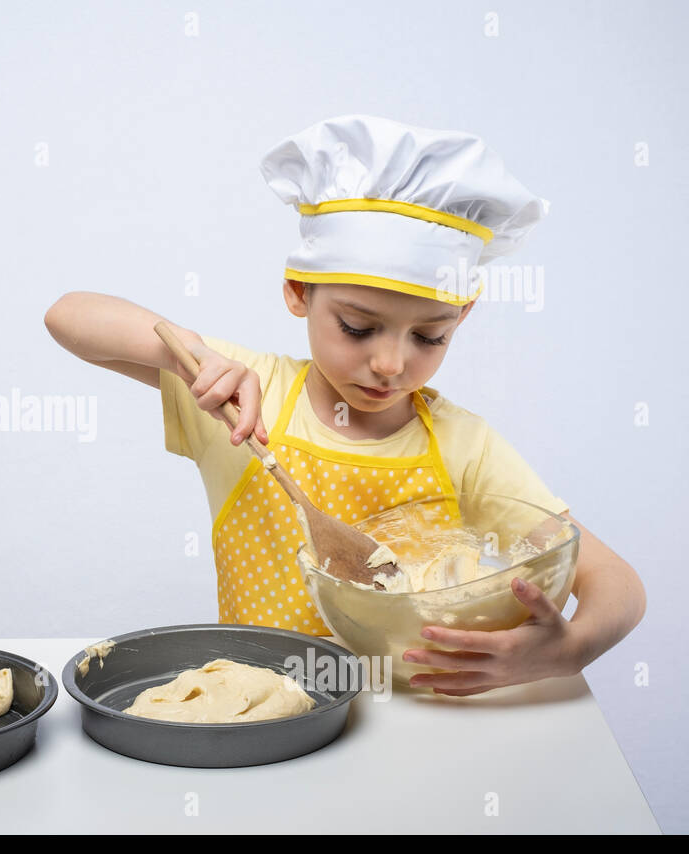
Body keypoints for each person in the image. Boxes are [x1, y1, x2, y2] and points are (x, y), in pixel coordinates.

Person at [45, 114, 644, 696]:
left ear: (461, 317)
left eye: (429, 337)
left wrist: (569, 649)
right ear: (299, 292)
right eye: (358, 328)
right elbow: (69, 316)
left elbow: (616, 581)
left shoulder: (463, 445)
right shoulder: (249, 397)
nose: (390, 363)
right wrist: (189, 355)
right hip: (266, 721)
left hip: (414, 724)